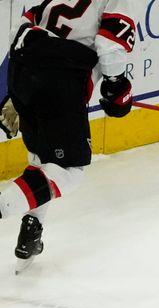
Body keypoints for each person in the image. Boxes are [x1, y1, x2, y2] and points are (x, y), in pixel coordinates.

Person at [0, 0, 135, 272]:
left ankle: (32, 227)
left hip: (23, 68)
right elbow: (110, 45)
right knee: (69, 170)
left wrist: (24, 81)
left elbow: (28, 19)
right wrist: (117, 84)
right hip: (58, 79)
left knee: (44, 159)